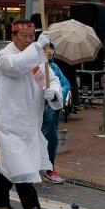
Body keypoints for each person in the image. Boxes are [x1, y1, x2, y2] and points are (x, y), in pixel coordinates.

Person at [0, 20, 59, 209]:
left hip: (30, 122)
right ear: (14, 35)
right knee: (21, 166)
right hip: (10, 122)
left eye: (32, 36)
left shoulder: (37, 60)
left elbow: (52, 78)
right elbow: (17, 67)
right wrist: (38, 47)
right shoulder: (5, 56)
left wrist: (53, 92)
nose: (29, 40)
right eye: (25, 36)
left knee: (11, 164)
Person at [39, 37, 71, 184]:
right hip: (38, 109)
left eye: (51, 48)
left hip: (52, 108)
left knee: (51, 138)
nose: (50, 51)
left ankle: (50, 168)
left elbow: (65, 84)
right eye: (46, 48)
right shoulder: (36, 66)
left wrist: (56, 93)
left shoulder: (55, 68)